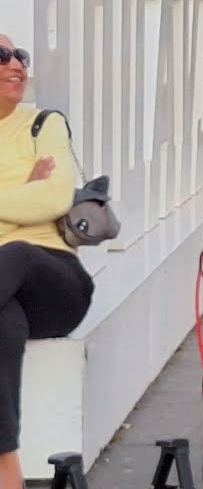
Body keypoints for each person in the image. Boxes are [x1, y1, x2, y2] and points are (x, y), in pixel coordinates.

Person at [0, 35, 95, 489]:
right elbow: (34, 199)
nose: (15, 64)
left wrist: (37, 194)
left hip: (55, 283)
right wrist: (22, 191)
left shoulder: (43, 124)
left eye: (20, 55)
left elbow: (55, 197)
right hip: (6, 293)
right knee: (3, 325)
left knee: (15, 252)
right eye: (1, 56)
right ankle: (8, 472)